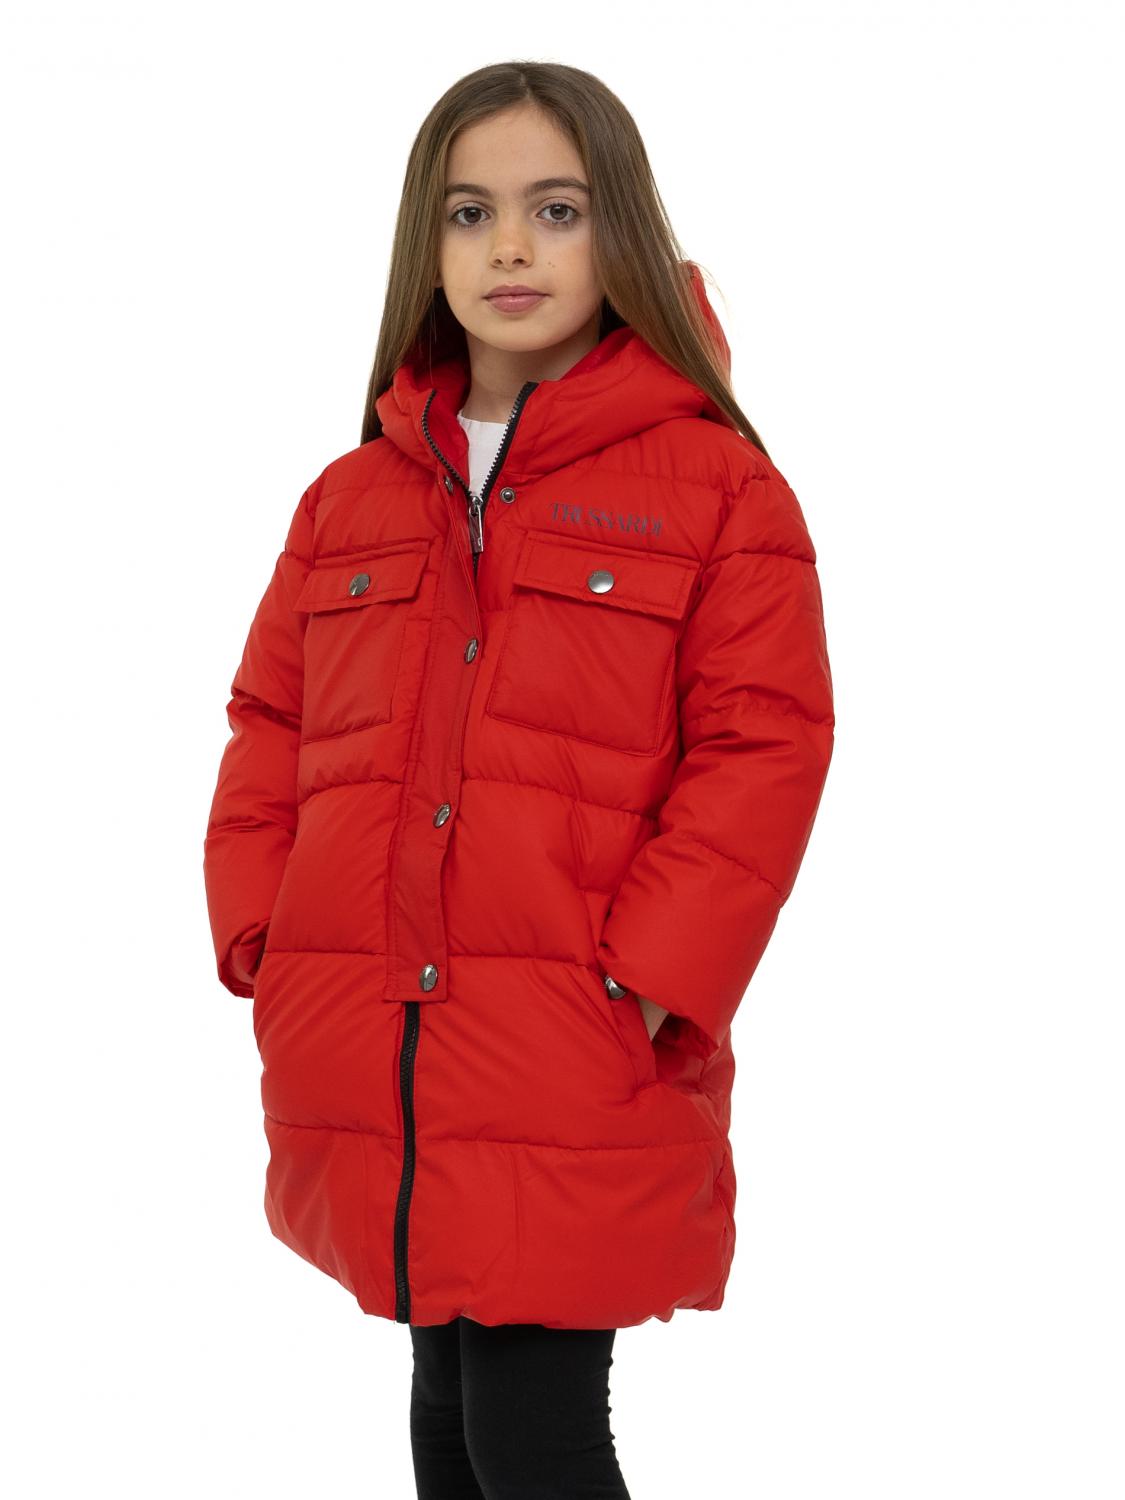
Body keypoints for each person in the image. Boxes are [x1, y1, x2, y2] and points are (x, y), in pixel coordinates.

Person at [203, 59, 835, 1500]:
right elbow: (269, 725)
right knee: (445, 1415)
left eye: (556, 210)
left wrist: (648, 982)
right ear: (423, 244)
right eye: (469, 211)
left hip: (573, 1034)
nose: (509, 248)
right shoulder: (351, 498)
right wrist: (267, 938)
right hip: (371, 1031)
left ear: (621, 231)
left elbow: (764, 746)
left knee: (531, 1433)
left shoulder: (717, 490)